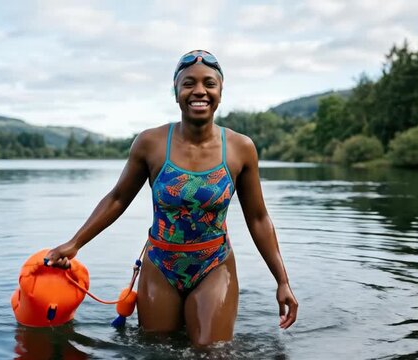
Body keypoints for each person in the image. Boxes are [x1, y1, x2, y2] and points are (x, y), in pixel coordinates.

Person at [45, 50, 298, 346]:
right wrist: (75, 243)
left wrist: (282, 281)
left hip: (213, 265)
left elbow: (258, 218)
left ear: (220, 92)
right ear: (176, 92)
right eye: (188, 83)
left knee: (210, 351)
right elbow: (117, 199)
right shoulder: (150, 143)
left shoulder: (241, 148)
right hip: (160, 264)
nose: (199, 91)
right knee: (156, 349)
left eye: (209, 84)